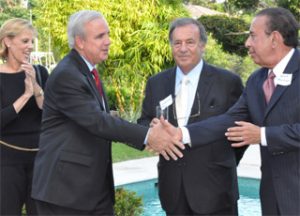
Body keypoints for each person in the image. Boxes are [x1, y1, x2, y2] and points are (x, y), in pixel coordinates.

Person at [31, 10, 184, 215]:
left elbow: (98, 121)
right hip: (66, 193)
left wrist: (147, 132)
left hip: (90, 191)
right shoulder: (67, 75)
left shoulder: (88, 70)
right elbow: (98, 122)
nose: (108, 41)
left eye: (108, 34)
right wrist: (148, 136)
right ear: (80, 42)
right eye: (100, 36)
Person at [159, 7, 300, 216]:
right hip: (273, 196)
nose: (247, 44)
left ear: (275, 38)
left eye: (253, 36)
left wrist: (261, 135)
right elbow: (229, 119)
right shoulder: (256, 80)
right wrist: (182, 134)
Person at [138, 18, 244, 215]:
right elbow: (143, 121)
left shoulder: (228, 82)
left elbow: (240, 131)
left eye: (190, 42)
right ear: (171, 46)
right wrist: (151, 129)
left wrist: (222, 161)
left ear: (202, 45)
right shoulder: (156, 83)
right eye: (177, 43)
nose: (183, 48)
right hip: (173, 191)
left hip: (216, 190)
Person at [0, 18, 49, 215]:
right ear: (7, 42)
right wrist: (25, 95)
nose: (30, 46)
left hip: (40, 157)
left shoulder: (40, 72)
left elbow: (51, 112)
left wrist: (35, 86)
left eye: (32, 42)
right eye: (24, 41)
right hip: (6, 162)